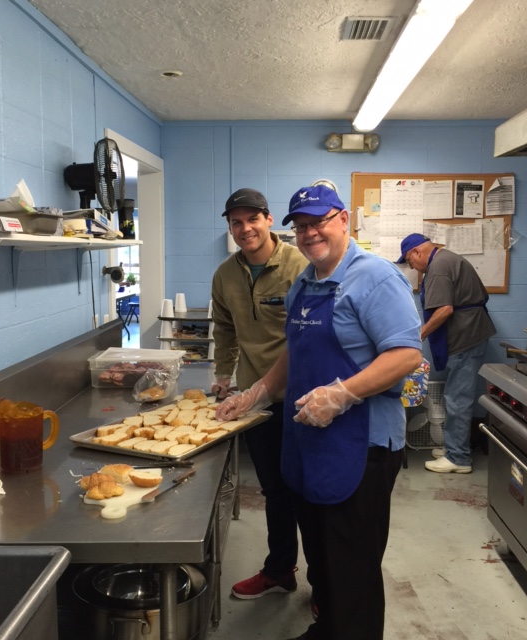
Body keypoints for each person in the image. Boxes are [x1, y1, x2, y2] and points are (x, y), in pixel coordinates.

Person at [216, 184, 422, 640]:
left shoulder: (376, 277)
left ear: (343, 220)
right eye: (302, 226)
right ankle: (327, 628)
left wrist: (342, 394)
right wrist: (258, 392)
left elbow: (406, 354)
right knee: (323, 558)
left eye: (319, 222)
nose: (310, 233)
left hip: (361, 446)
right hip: (311, 443)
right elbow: (296, 350)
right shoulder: (305, 283)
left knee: (353, 566)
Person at [211, 187, 308, 599]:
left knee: (311, 491)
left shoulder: (299, 265)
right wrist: (223, 374)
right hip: (256, 401)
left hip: (304, 397)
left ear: (269, 220)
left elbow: (310, 335)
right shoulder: (225, 275)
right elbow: (225, 329)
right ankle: (280, 570)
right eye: (236, 222)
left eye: (253, 219)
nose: (245, 228)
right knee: (274, 490)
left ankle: (325, 588)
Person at [396, 233, 496, 474]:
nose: (412, 267)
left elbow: (444, 310)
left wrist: (418, 336)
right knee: (455, 395)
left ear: (417, 252)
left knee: (457, 398)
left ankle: (458, 458)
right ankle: (454, 448)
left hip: (466, 338)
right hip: (470, 334)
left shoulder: (438, 268)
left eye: (410, 261)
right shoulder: (447, 259)